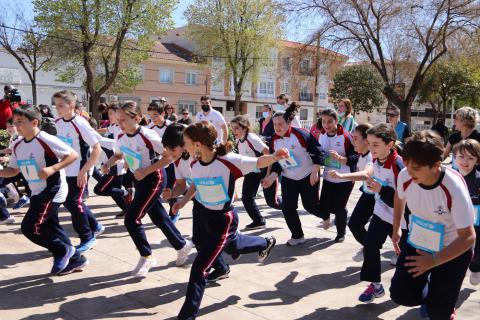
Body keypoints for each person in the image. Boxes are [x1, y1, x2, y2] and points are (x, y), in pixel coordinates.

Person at [172, 120, 286, 320]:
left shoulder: (228, 161)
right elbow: (196, 185)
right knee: (233, 246)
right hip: (205, 215)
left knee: (199, 268)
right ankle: (264, 243)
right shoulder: (194, 163)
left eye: (186, 142)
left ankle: (186, 316)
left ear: (198, 144)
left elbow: (258, 162)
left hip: (224, 219)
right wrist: (182, 201)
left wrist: (275, 156)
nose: (184, 146)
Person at [390, 131, 476, 320]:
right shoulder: (406, 175)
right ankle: (432, 292)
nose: (409, 172)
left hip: (453, 248)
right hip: (420, 241)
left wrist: (434, 261)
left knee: (439, 313)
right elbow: (399, 195)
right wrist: (396, 226)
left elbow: (468, 237)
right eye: (407, 164)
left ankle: (441, 302)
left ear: (436, 165)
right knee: (400, 294)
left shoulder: (453, 186)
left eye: (417, 168)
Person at [102, 101, 193, 277]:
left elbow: (169, 157)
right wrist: (108, 163)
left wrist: (146, 171)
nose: (119, 123)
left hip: (154, 179)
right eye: (117, 119)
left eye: (122, 119)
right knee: (158, 216)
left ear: (136, 118)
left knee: (131, 219)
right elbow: (119, 154)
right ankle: (182, 245)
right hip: (140, 179)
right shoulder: (120, 137)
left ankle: (146, 256)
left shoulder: (147, 135)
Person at [0, 104, 88, 274]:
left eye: (20, 121)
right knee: (50, 227)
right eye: (14, 122)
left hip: (53, 189)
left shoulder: (45, 139)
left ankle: (63, 251)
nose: (16, 125)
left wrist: (53, 169)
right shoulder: (18, 144)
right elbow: (13, 170)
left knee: (30, 227)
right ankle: (77, 259)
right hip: (37, 190)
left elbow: (72, 155)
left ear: (34, 122)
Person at [161, 123, 231, 283]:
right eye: (166, 149)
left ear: (184, 145)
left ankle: (260, 243)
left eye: (172, 150)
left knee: (227, 241)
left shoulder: (200, 156)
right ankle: (221, 268)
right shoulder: (178, 162)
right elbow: (181, 185)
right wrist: (173, 194)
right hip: (199, 200)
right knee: (199, 240)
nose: (168, 154)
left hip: (217, 202)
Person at [263, 102, 325, 246]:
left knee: (310, 206)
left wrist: (315, 171)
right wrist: (271, 177)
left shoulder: (301, 134)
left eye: (280, 124)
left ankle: (326, 215)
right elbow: (277, 162)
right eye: (275, 124)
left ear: (289, 122)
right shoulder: (274, 140)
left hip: (307, 174)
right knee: (288, 207)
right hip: (289, 177)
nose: (277, 128)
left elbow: (318, 152)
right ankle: (297, 235)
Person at [357, 123, 407, 303]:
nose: (370, 148)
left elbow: (405, 197)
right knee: (370, 246)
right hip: (381, 213)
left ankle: (424, 286)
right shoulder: (377, 159)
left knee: (406, 257)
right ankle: (376, 286)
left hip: (401, 219)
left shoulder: (399, 164)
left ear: (390, 144)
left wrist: (381, 189)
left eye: (375, 144)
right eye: (369, 143)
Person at [53, 90, 104, 253]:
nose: (57, 108)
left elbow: (96, 149)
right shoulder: (58, 121)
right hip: (65, 169)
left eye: (61, 105)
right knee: (70, 202)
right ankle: (95, 225)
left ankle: (87, 237)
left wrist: (84, 171)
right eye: (56, 105)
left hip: (79, 170)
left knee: (74, 203)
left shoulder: (81, 123)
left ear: (71, 105)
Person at [329, 123, 375, 261]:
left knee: (391, 231)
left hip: (381, 198)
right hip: (368, 194)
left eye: (355, 138)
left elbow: (366, 173)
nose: (352, 140)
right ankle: (370, 247)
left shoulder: (372, 156)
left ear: (367, 141)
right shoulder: (361, 154)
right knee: (354, 225)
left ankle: (398, 253)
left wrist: (342, 176)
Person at [231, 115, 283, 229]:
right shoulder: (238, 140)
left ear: (244, 128)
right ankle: (259, 221)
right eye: (232, 128)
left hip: (265, 170)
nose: (233, 131)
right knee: (246, 198)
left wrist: (268, 175)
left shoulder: (252, 138)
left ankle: (289, 204)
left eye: (236, 128)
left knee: (272, 203)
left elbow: (269, 154)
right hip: (252, 172)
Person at [318, 108, 358, 243]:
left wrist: (342, 158)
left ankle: (341, 233)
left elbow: (356, 155)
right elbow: (319, 153)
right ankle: (326, 219)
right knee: (324, 204)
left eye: (330, 121)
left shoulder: (346, 136)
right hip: (329, 177)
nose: (326, 125)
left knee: (340, 207)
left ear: (336, 121)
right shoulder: (321, 135)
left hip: (344, 177)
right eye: (324, 122)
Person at [451, 139, 480, 286]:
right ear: (454, 156)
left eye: (471, 158)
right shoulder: (449, 177)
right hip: (454, 225)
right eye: (461, 156)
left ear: (477, 160)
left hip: (477, 226)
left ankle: (475, 268)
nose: (465, 161)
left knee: (476, 256)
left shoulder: (478, 179)